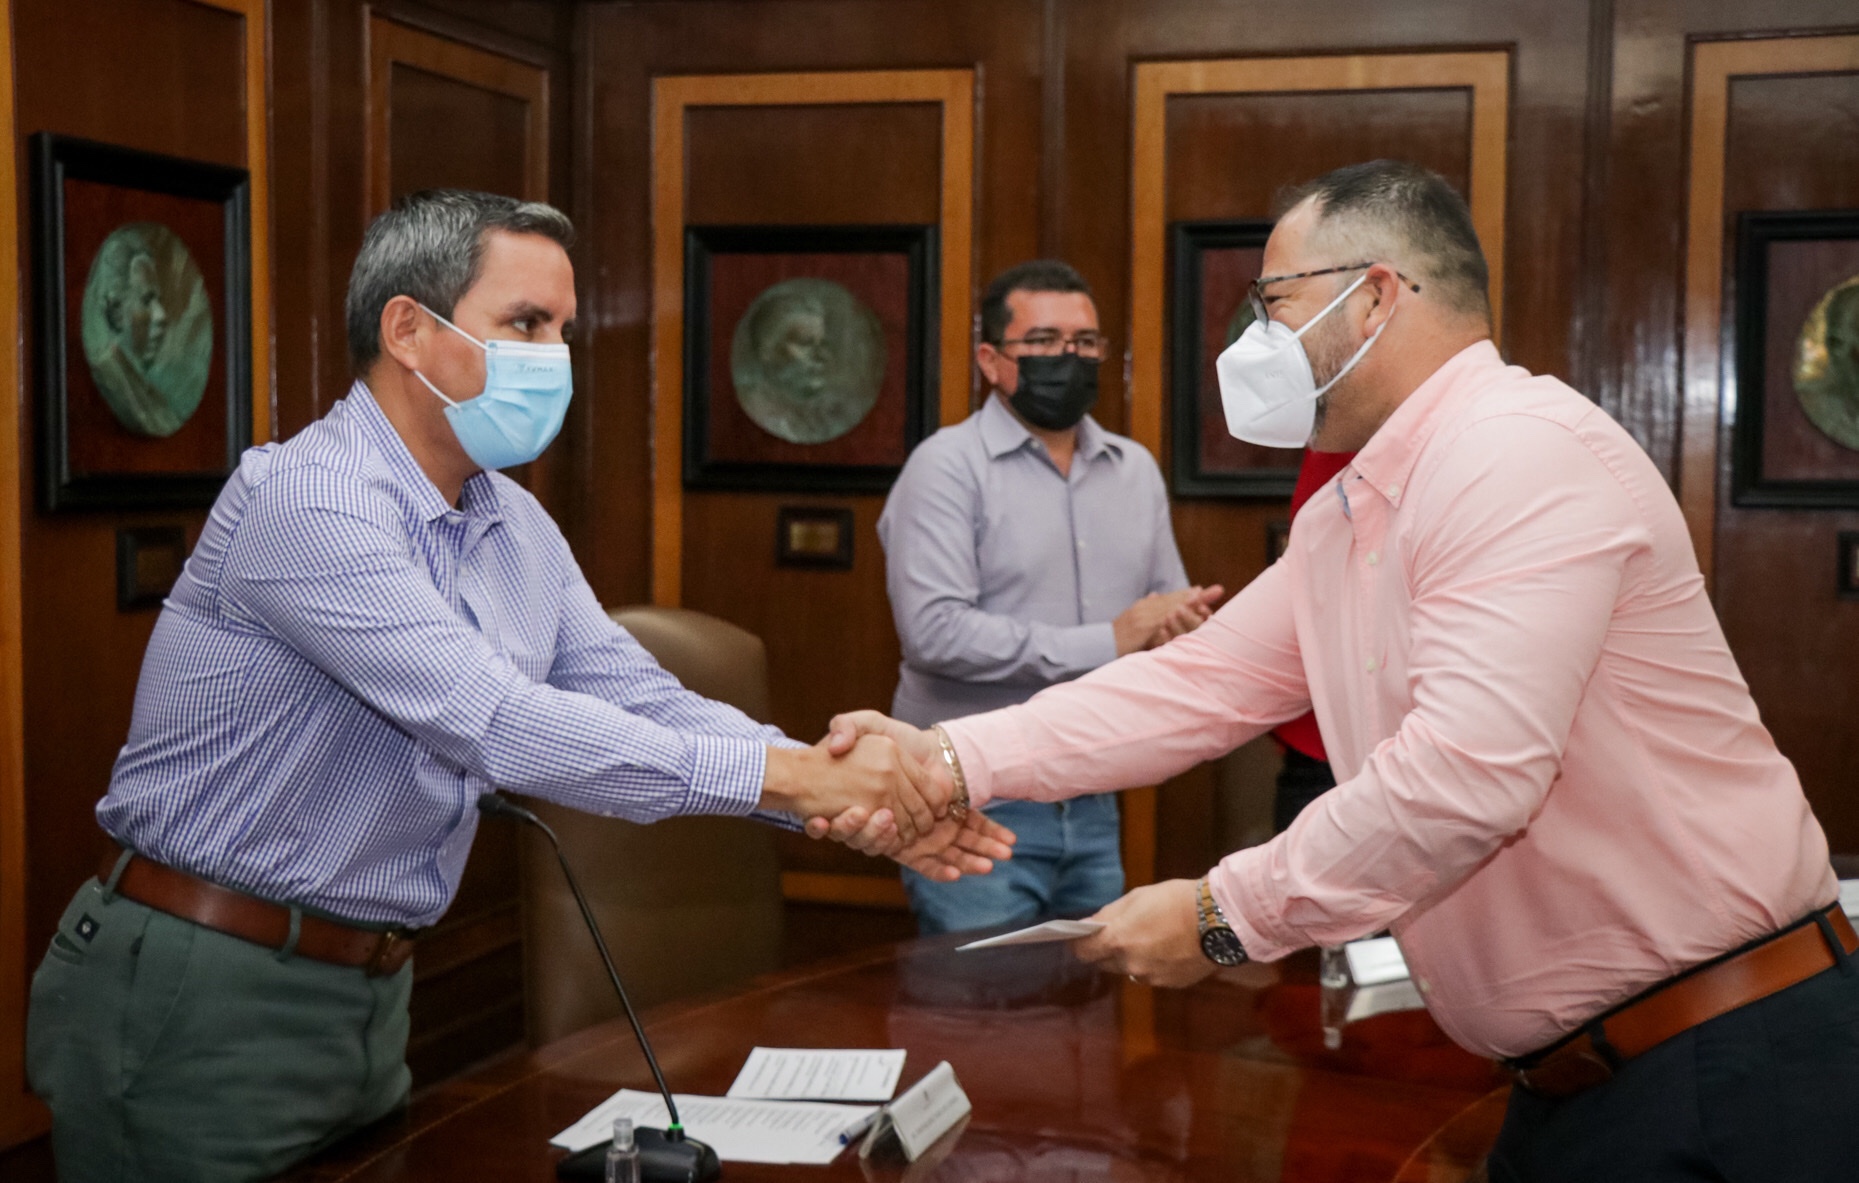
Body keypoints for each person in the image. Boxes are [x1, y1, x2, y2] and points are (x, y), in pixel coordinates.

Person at [823, 161, 1857, 1181]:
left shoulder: (1514, 454)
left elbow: (1463, 778)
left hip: (1724, 1066)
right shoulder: (1357, 505)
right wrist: (946, 758)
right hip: (1580, 1081)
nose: (1254, 341)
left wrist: (1222, 915)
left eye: (1273, 304)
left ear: (1371, 297)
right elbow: (1195, 683)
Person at [25, 189, 1010, 1183]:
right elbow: (496, 722)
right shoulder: (310, 500)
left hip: (367, 987)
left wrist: (831, 793)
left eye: (565, 330)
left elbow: (640, 696)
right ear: (408, 330)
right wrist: (804, 781)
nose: (556, 357)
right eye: (527, 323)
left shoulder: (512, 521)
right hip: (201, 985)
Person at [877, 259, 1221, 934]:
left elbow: (1163, 607)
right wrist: (1109, 640)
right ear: (991, 360)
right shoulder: (945, 468)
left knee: (1091, 994)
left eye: (1085, 342)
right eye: (1043, 341)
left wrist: (1178, 624)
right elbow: (935, 632)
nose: (1069, 357)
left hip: (1092, 795)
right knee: (983, 995)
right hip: (970, 801)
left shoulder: (1133, 469)